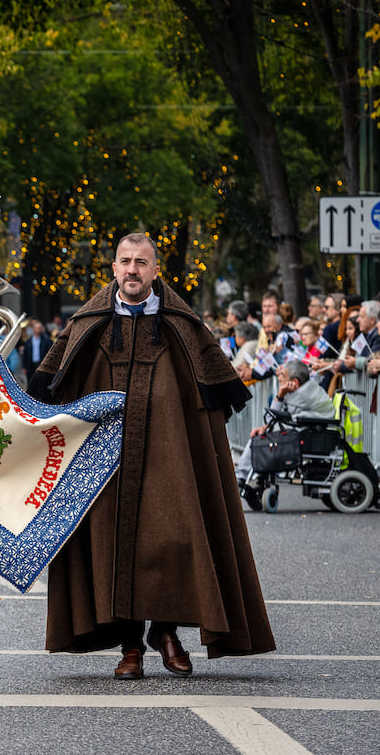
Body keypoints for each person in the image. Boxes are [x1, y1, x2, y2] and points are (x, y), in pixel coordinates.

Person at [28, 232, 275, 679]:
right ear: (113, 268)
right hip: (105, 466)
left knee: (173, 539)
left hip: (169, 458)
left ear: (155, 270)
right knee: (112, 546)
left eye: (141, 262)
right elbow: (49, 387)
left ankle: (165, 633)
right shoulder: (90, 323)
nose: (132, 270)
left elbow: (214, 395)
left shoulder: (183, 325)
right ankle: (129, 648)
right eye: (125, 261)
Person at [234, 360, 335, 505]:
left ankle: (240, 478)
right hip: (302, 430)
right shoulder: (303, 390)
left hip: (305, 434)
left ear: (294, 381)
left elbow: (272, 416)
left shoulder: (301, 396)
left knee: (258, 441)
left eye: (283, 375)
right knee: (260, 436)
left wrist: (281, 394)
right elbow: (275, 418)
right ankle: (243, 478)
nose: (279, 377)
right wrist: (266, 427)